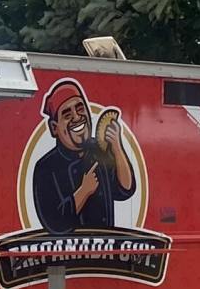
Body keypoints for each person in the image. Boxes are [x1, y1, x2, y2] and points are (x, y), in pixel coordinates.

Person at [32, 79, 135, 234]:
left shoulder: (99, 150)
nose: (76, 117)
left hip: (106, 250)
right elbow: (54, 223)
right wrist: (84, 191)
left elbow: (125, 190)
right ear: (54, 128)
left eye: (80, 109)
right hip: (66, 255)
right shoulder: (45, 167)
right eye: (67, 114)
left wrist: (117, 147)